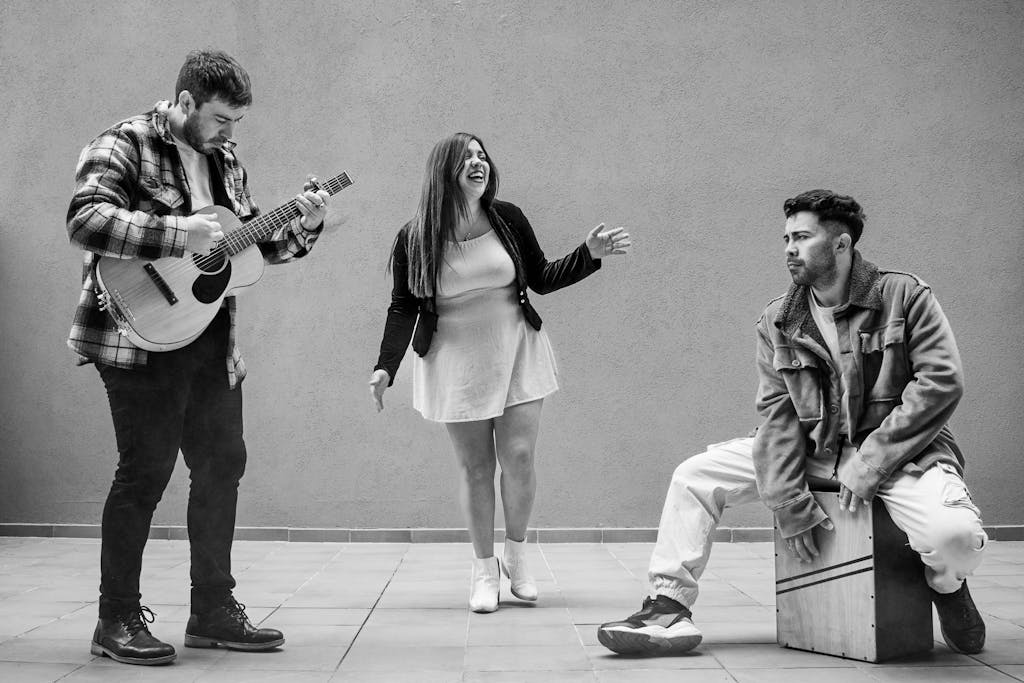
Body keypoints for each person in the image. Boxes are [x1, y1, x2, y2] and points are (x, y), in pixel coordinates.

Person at [597, 189, 987, 656]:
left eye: (801, 237)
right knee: (695, 476)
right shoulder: (778, 319)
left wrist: (871, 462)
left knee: (955, 538)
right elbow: (777, 416)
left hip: (900, 453)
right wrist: (787, 500)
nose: (789, 248)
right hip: (816, 450)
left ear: (841, 244)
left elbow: (940, 382)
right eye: (786, 238)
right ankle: (667, 607)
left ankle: (947, 587)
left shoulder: (903, 295)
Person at [66, 50, 331, 665]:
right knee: (146, 470)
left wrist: (303, 226)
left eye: (236, 122)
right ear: (184, 102)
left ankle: (213, 611)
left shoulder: (225, 159)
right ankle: (117, 619)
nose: (228, 133)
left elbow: (242, 254)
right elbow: (86, 220)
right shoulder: (124, 142)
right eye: (219, 119)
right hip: (137, 332)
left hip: (209, 334)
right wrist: (178, 233)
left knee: (222, 464)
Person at [370, 132, 630, 612]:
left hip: (517, 349)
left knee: (521, 457)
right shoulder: (415, 236)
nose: (478, 162)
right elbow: (403, 305)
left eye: (482, 155)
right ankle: (483, 570)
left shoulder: (506, 218)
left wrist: (589, 253)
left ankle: (518, 556)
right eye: (466, 157)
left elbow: (543, 276)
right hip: (454, 361)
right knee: (476, 469)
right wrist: (386, 367)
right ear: (443, 171)